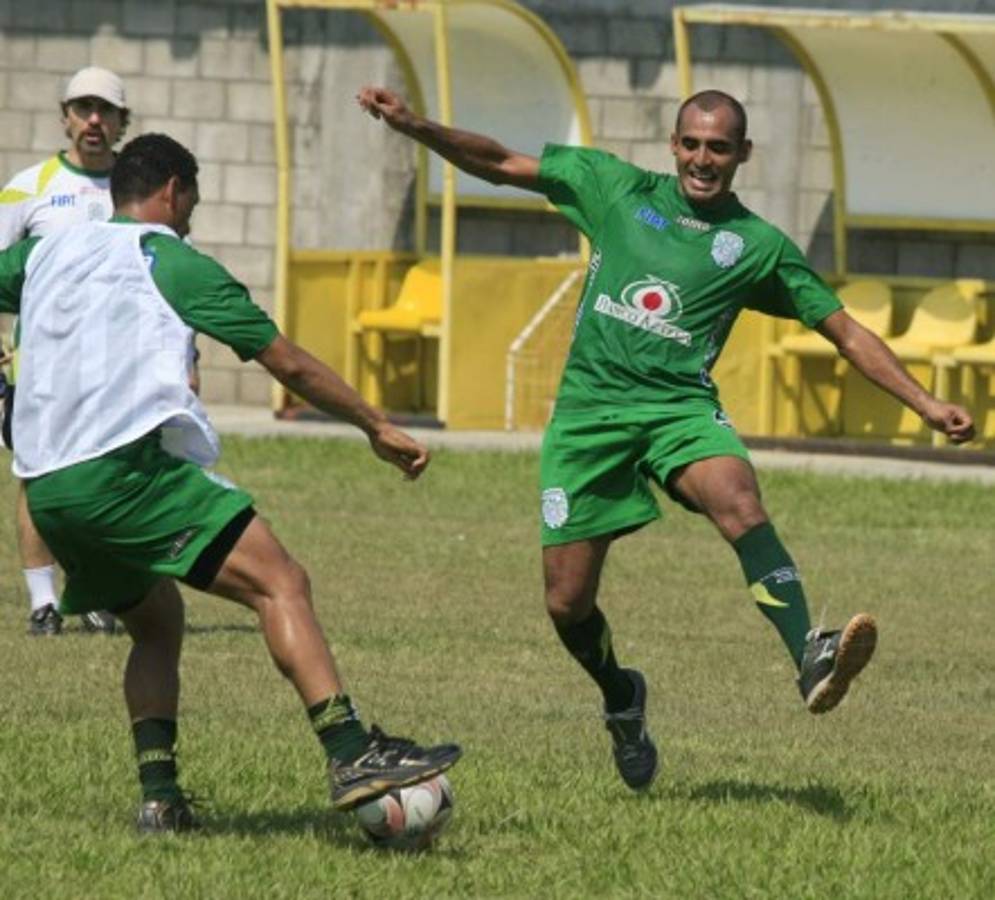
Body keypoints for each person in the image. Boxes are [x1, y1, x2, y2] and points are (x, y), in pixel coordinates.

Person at [357, 85, 975, 792]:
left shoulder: (756, 245)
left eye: (718, 147)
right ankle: (621, 695)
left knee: (739, 499)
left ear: (742, 154)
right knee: (566, 604)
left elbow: (844, 331)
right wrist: (413, 126)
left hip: (678, 409)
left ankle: (810, 650)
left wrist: (924, 403)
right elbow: (499, 161)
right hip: (589, 416)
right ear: (673, 146)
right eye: (691, 144)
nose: (702, 159)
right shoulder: (611, 188)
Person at [0, 132, 461, 832]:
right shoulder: (170, 261)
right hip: (122, 475)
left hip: (50, 493)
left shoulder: (47, 250)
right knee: (282, 582)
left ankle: (159, 797)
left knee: (156, 623)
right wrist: (375, 424)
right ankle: (350, 753)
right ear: (173, 190)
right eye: (192, 201)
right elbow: (288, 363)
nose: (191, 217)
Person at [0, 66, 133, 635]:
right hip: (41, 368)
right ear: (65, 117)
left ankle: (97, 590)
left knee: (108, 477)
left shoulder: (140, 190)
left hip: (117, 368)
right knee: (37, 475)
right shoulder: (28, 188)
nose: (94, 120)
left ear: (124, 122)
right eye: (83, 109)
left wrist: (189, 359)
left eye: (105, 110)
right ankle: (42, 602)